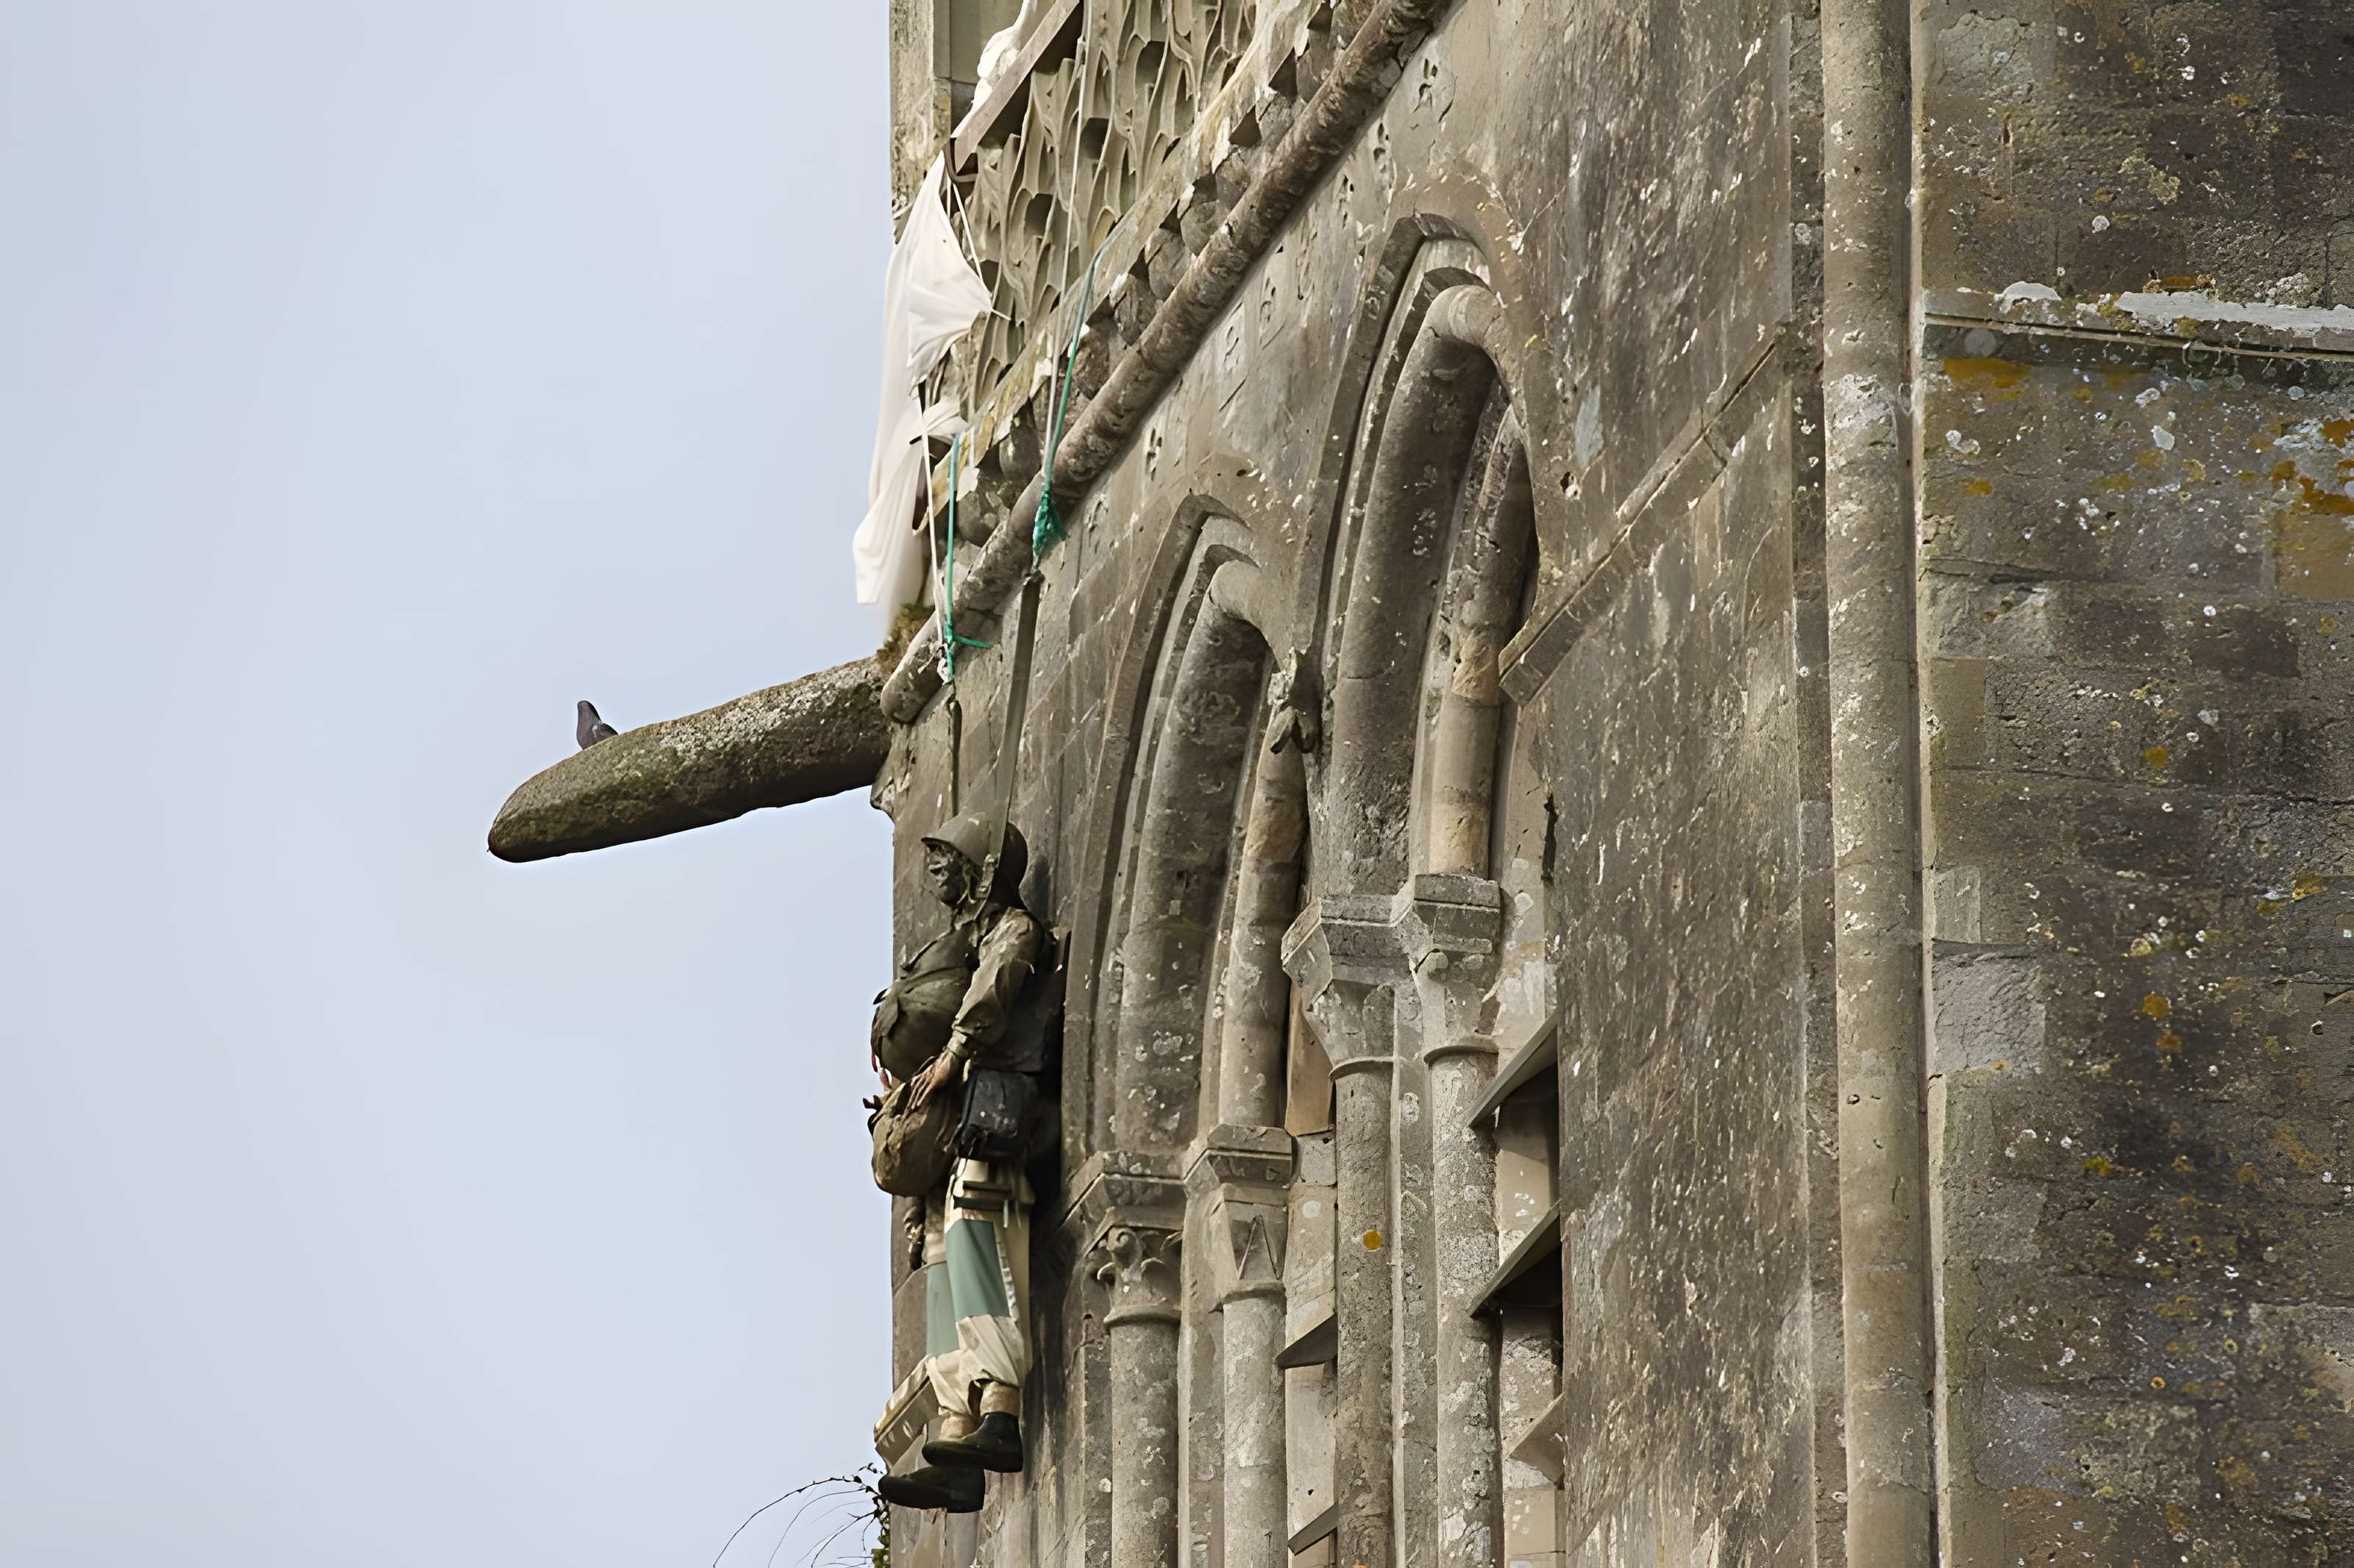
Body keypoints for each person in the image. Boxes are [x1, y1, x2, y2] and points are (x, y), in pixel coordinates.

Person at [872, 812, 1047, 1514]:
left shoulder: (1011, 931)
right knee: (944, 1262)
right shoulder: (954, 946)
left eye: (949, 855)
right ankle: (957, 1431)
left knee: (981, 1238)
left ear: (982, 864)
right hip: (956, 1128)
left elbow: (995, 987)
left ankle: (1000, 1406)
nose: (935, 868)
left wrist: (952, 1055)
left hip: (995, 1115)